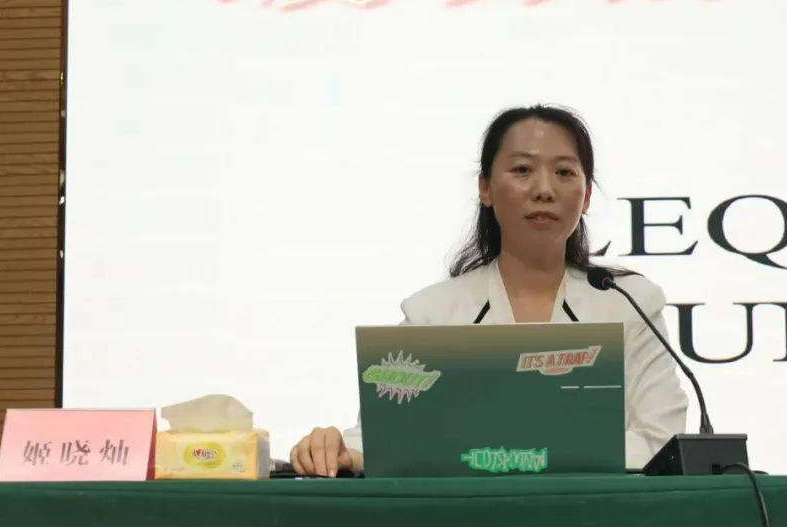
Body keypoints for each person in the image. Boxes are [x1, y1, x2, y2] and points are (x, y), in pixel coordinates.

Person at [290, 105, 688, 476]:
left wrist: (520, 453)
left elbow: (662, 440)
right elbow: (387, 437)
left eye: (565, 172)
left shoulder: (630, 304)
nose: (544, 189)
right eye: (522, 170)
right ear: (485, 188)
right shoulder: (433, 313)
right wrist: (338, 449)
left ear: (585, 196)